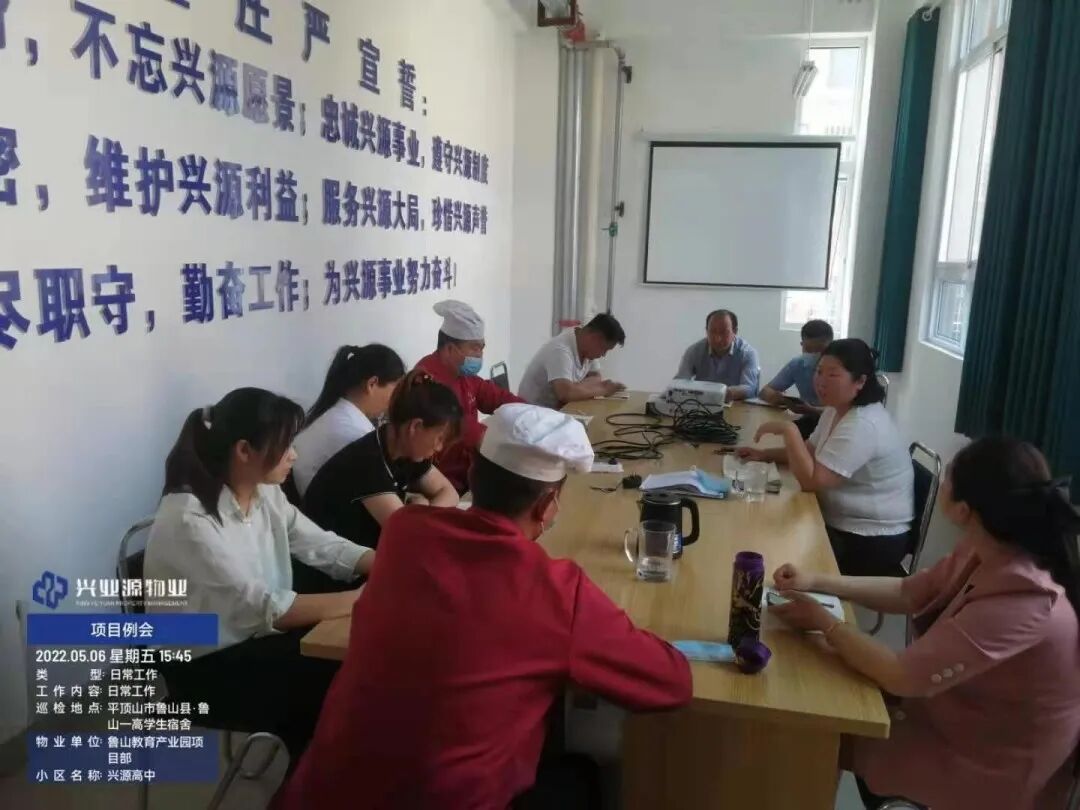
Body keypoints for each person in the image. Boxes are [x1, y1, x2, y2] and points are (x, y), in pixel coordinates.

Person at [274, 404, 693, 809]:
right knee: (585, 773)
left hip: (319, 794)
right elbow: (671, 682)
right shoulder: (556, 590)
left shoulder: (404, 532)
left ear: (473, 473)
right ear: (547, 506)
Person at [769, 436, 1080, 810]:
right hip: (955, 712)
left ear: (963, 510)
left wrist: (825, 622)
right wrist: (817, 581)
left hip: (990, 766)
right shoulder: (988, 546)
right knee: (822, 699)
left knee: (815, 729)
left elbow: (901, 676)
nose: (942, 482)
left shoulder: (1024, 603)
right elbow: (907, 592)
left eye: (948, 477)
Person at [144, 388, 375, 763]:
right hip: (205, 667)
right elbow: (266, 607)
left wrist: (387, 563)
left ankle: (318, 771)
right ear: (244, 450)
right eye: (285, 447)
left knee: (347, 665)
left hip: (254, 633)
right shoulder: (190, 521)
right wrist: (363, 598)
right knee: (330, 682)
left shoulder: (263, 492)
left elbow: (319, 543)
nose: (294, 455)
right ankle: (308, 781)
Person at [737, 338, 913, 576]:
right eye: (819, 371)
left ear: (860, 381)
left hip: (869, 539)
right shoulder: (836, 409)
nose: (821, 381)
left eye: (833, 375)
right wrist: (764, 455)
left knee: (776, 547)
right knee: (767, 530)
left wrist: (789, 431)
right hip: (840, 521)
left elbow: (812, 482)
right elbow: (808, 452)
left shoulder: (862, 424)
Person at [301, 370, 462, 549]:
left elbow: (449, 493)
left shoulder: (407, 448)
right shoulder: (367, 462)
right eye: (440, 439)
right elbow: (409, 533)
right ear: (415, 427)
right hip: (333, 561)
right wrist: (420, 509)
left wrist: (423, 510)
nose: (439, 448)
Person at [415, 299, 524, 493]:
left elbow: (496, 397)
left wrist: (533, 412)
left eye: (482, 347)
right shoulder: (426, 379)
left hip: (468, 472)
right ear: (450, 348)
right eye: (474, 348)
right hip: (442, 482)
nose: (480, 354)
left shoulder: (463, 374)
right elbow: (463, 428)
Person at [291, 344, 406, 499]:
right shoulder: (355, 432)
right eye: (396, 390)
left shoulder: (338, 413)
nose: (396, 400)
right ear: (372, 384)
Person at [517, 312, 627, 408]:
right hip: (532, 413)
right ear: (593, 337)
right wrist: (604, 390)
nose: (603, 355)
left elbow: (596, 377)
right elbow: (565, 394)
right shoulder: (560, 350)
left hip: (557, 410)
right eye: (604, 349)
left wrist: (576, 389)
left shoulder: (586, 348)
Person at [759, 319, 832, 438]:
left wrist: (813, 410)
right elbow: (765, 391)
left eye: (820, 350)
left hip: (832, 426)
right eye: (809, 350)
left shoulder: (841, 370)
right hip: (808, 422)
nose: (814, 355)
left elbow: (844, 411)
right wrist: (779, 398)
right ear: (802, 345)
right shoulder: (798, 364)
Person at [675, 308, 760, 400]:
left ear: (735, 331)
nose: (717, 338)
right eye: (712, 332)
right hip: (701, 404)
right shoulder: (695, 351)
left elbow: (750, 388)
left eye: (724, 332)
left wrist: (719, 393)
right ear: (706, 331)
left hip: (735, 404)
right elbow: (680, 382)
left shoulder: (747, 353)